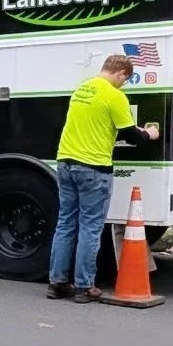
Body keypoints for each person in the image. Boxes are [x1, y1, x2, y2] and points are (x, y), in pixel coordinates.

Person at [47, 54, 160, 302]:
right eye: (125, 80)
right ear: (120, 73)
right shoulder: (114, 95)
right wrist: (150, 133)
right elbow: (131, 136)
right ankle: (84, 287)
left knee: (65, 223)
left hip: (65, 163)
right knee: (90, 227)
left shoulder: (82, 89)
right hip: (93, 167)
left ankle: (56, 283)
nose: (124, 84)